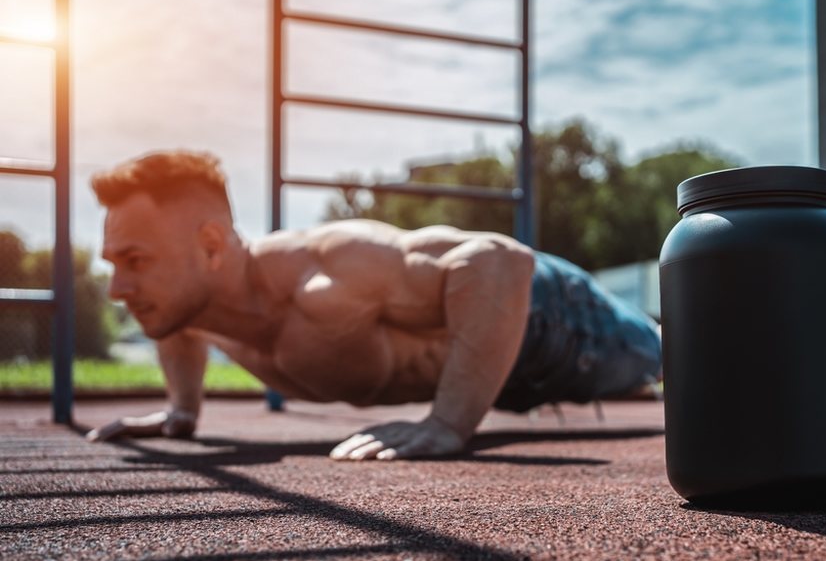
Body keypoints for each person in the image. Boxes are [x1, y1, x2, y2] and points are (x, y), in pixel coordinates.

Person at [85, 150, 662, 460]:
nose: (119, 289)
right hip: (494, 371)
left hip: (552, 319)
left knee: (680, 355)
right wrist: (182, 412)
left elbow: (498, 264)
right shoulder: (190, 304)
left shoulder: (327, 272)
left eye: (135, 261)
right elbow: (177, 325)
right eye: (113, 264)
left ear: (212, 246)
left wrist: (447, 424)